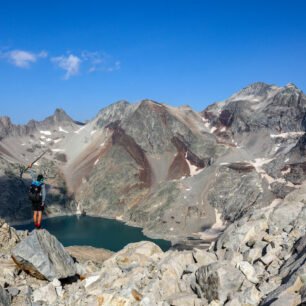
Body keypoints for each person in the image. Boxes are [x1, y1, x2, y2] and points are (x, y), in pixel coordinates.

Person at [28, 164, 46, 229]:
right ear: (41, 179)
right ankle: (38, 225)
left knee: (35, 213)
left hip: (33, 199)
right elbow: (44, 194)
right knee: (40, 213)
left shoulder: (34, 182)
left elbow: (32, 176)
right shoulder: (42, 184)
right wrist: (43, 201)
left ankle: (36, 225)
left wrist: (30, 168)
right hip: (39, 200)